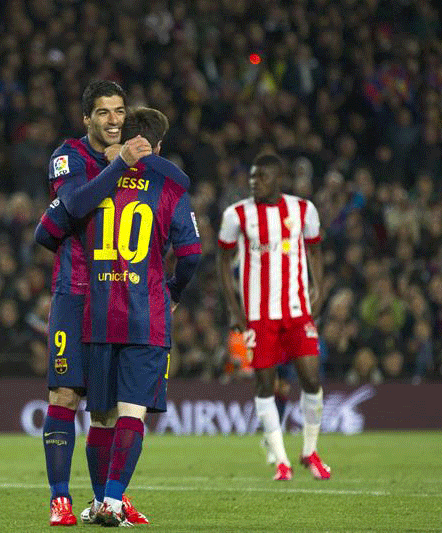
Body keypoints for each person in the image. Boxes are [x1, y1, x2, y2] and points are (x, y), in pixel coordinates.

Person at [74, 107, 201, 525]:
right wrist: (175, 292)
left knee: (102, 415)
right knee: (132, 412)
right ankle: (112, 501)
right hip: (148, 312)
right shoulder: (172, 179)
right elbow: (191, 253)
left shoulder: (96, 175)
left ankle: (98, 503)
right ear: (159, 143)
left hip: (99, 309)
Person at [37, 80, 153, 526]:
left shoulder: (138, 161)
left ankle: (107, 501)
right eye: (103, 112)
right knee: (64, 394)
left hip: (119, 295)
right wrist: (118, 166)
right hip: (75, 292)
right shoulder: (68, 156)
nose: (112, 121)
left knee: (105, 410)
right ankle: (60, 498)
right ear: (86, 118)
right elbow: (77, 202)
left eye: (119, 111)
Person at [217, 152, 331, 481]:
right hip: (258, 316)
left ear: (277, 178)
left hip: (296, 312)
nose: (255, 184)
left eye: (261, 178)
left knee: (311, 379)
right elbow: (223, 263)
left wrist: (318, 289)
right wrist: (235, 311)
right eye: (252, 179)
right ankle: (281, 460)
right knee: (265, 383)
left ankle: (310, 452)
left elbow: (314, 249)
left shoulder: (303, 209)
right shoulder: (237, 215)